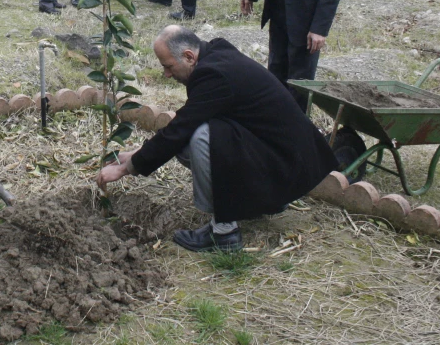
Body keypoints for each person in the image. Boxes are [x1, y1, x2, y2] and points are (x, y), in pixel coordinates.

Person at [97, 26, 337, 252]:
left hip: (286, 164)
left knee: (199, 137)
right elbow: (184, 122)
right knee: (194, 135)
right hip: (285, 157)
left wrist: (127, 168)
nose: (166, 74)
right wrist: (139, 153)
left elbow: (182, 128)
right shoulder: (216, 53)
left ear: (189, 56)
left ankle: (224, 232)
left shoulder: (213, 74)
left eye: (168, 66)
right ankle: (268, 200)